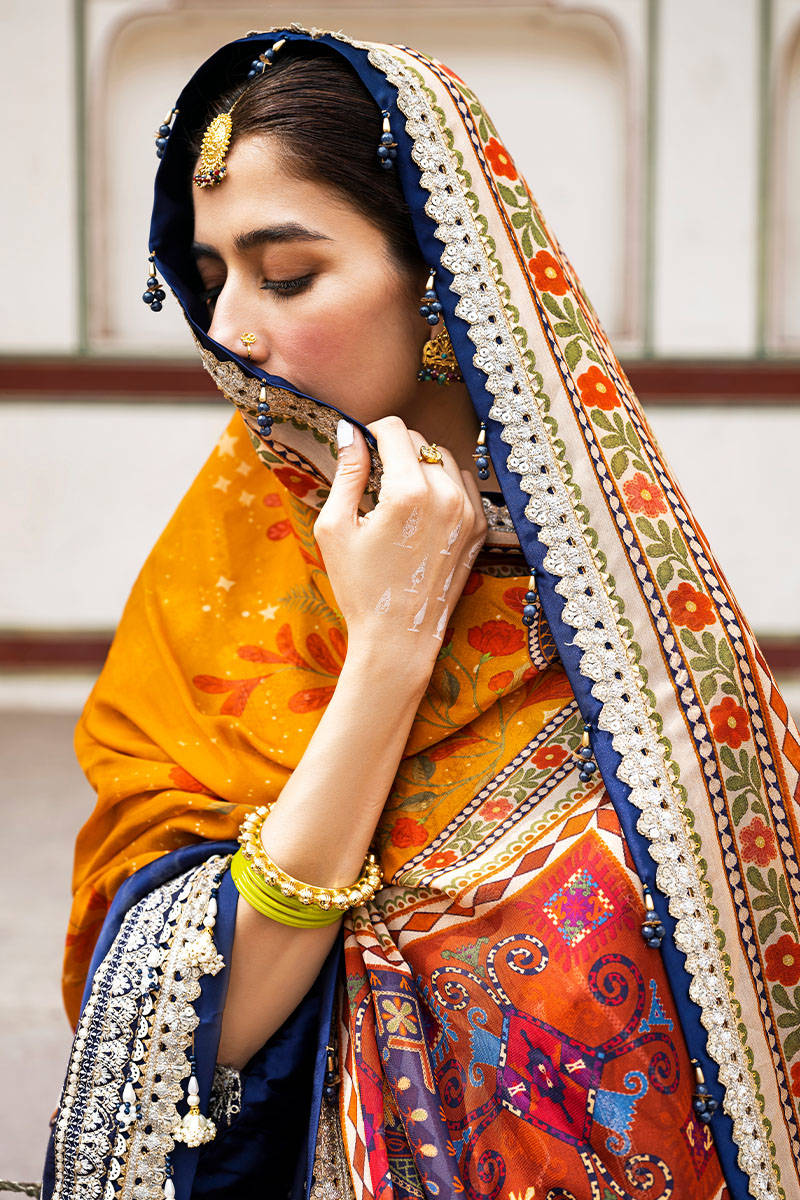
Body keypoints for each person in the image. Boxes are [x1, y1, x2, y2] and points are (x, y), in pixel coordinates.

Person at [43, 26, 800, 1200]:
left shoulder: (632, 616)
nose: (230, 328)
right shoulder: (226, 565)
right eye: (208, 277)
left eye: (285, 275)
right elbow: (194, 1031)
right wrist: (388, 654)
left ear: (439, 280)